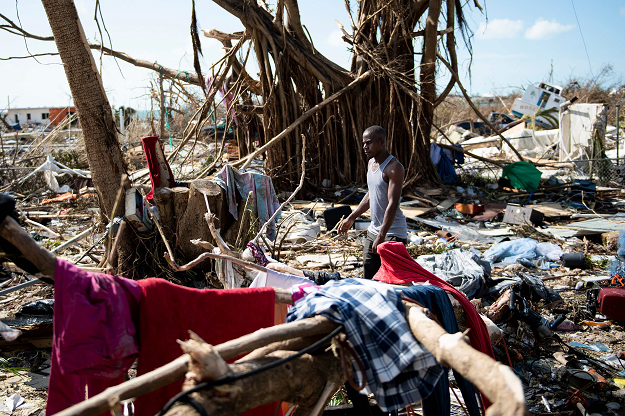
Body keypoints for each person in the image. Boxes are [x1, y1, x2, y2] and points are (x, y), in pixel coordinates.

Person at [338, 125, 407, 279]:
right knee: (369, 277)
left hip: (393, 233)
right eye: (363, 143)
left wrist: (382, 236)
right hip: (374, 231)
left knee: (393, 280)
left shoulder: (394, 168)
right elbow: (371, 194)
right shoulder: (371, 164)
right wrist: (352, 217)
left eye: (368, 143)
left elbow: (393, 203)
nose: (365, 147)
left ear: (381, 142)